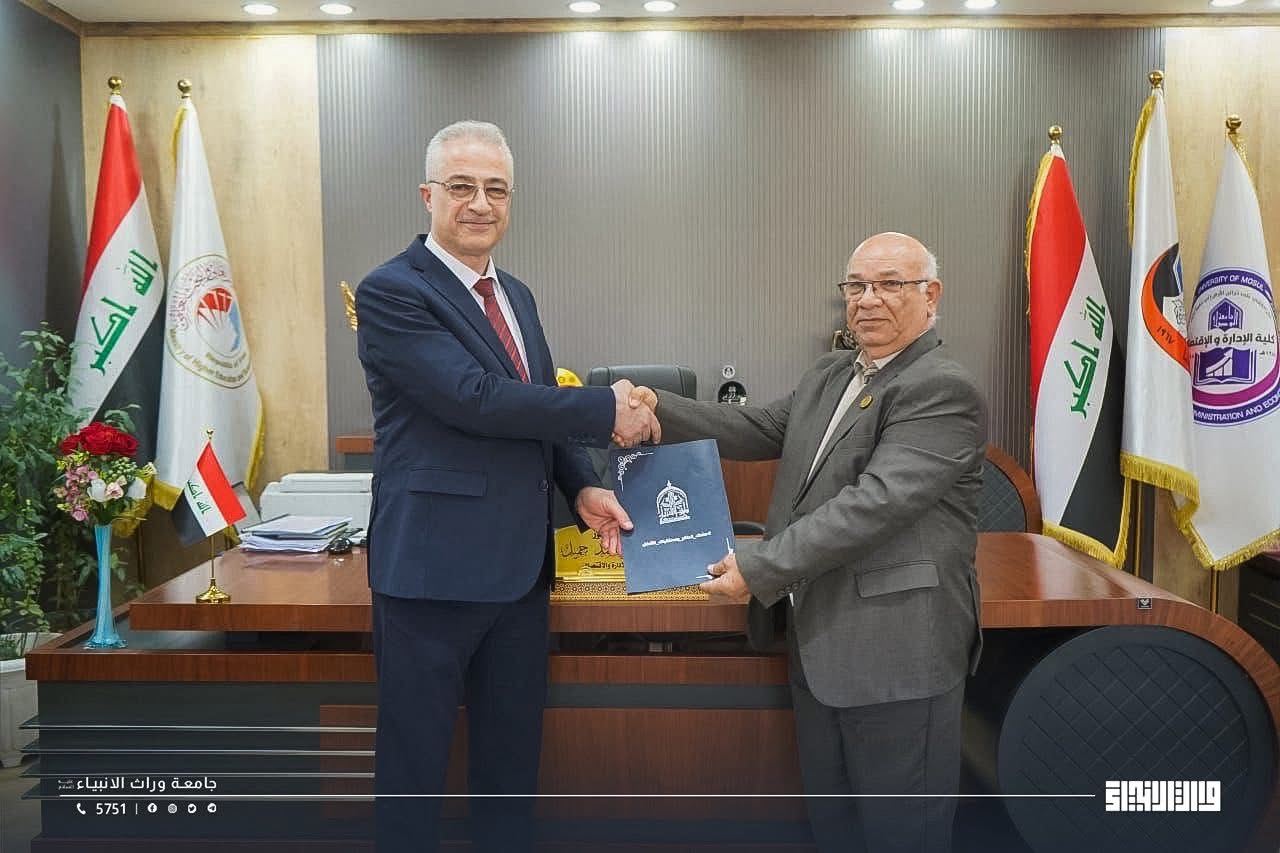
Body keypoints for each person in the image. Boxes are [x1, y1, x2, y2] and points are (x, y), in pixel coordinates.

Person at [354, 120, 659, 853]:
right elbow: (476, 399)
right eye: (461, 186)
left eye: (496, 189)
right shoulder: (392, 291)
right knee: (413, 775)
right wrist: (606, 409)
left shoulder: (515, 294)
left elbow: (534, 408)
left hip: (520, 576)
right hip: (430, 575)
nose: (480, 203)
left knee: (510, 772)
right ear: (427, 195)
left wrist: (580, 487)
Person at [630, 232, 986, 853]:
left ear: (931, 295)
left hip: (897, 653)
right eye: (856, 286)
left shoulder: (942, 387)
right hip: (821, 642)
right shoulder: (832, 373)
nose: (868, 300)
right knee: (834, 827)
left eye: (889, 285)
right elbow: (757, 427)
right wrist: (658, 406)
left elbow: (874, 504)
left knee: (902, 834)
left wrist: (760, 566)